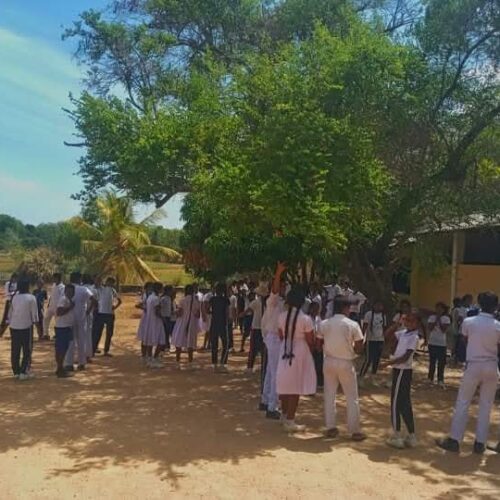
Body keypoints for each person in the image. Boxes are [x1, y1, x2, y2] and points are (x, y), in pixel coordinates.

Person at [436, 292, 500, 455]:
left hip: (473, 364)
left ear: (479, 303)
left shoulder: (469, 322)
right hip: (492, 366)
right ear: (495, 306)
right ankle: (480, 443)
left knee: (463, 402)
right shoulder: (497, 326)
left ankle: (455, 440)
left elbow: (465, 340)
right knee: (486, 405)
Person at [317, 296, 366, 441]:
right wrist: (353, 350)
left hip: (329, 360)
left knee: (329, 395)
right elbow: (359, 347)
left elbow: (318, 345)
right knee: (351, 397)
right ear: (346, 308)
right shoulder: (352, 324)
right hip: (346, 362)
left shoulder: (324, 323)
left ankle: (331, 427)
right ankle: (354, 430)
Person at [277, 286, 316, 433]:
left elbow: (281, 335)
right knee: (295, 387)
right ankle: (290, 420)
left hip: (285, 349)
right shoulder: (305, 319)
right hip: (300, 350)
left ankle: (284, 414)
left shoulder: (281, 316)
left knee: (285, 383)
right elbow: (310, 340)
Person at [382, 311, 420, 449]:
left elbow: (405, 357)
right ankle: (411, 436)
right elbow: (387, 335)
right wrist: (397, 324)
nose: (408, 323)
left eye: (411, 320)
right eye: (406, 320)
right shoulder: (404, 333)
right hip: (399, 370)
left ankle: (397, 435)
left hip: (403, 371)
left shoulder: (414, 337)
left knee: (396, 403)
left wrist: (388, 363)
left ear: (417, 323)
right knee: (404, 403)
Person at [261, 262, 287, 420]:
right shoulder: (272, 301)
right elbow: (275, 290)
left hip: (274, 338)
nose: (283, 288)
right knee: (276, 372)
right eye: (281, 286)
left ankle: (265, 400)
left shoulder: (281, 303)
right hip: (274, 337)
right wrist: (278, 273)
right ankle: (272, 406)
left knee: (271, 371)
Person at [64, 272, 96, 372]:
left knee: (70, 341)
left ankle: (69, 364)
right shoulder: (84, 289)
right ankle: (82, 363)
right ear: (79, 279)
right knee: (81, 340)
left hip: (69, 318)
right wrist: (88, 311)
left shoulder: (66, 289)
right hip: (81, 318)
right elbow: (94, 300)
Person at [8, 279, 38, 380]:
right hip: (26, 326)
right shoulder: (31, 298)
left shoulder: (14, 297)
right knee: (27, 349)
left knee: (15, 349)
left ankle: (16, 371)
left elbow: (10, 313)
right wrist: (38, 328)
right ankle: (23, 371)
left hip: (14, 326)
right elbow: (34, 316)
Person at [172, 284, 201, 369]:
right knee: (190, 343)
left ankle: (177, 362)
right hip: (191, 323)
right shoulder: (196, 301)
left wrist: (175, 312)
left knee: (179, 342)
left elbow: (180, 313)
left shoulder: (182, 300)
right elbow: (198, 314)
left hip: (181, 323)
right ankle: (190, 362)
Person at [359, 299, 387, 383]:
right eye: (377, 305)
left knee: (377, 359)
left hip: (380, 339)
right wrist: (362, 338)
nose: (378, 307)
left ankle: (373, 376)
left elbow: (384, 328)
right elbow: (365, 326)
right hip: (371, 339)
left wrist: (384, 340)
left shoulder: (383, 316)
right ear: (373, 306)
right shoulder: (369, 314)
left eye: (380, 305)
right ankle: (361, 376)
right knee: (368, 359)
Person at [94, 277, 122, 356]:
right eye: (109, 282)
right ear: (106, 282)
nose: (110, 284)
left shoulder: (113, 290)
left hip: (109, 314)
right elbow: (97, 282)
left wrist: (115, 307)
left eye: (112, 283)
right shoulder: (101, 289)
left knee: (109, 333)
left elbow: (119, 301)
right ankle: (94, 348)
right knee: (98, 332)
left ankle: (106, 350)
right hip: (101, 313)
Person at [244, 284, 268, 373]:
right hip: (264, 328)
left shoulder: (256, 302)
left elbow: (248, 310)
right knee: (263, 348)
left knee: (253, 348)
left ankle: (250, 367)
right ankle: (263, 366)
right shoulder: (268, 303)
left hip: (256, 327)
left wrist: (242, 314)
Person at [141, 282, 166, 368]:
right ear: (159, 289)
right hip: (156, 322)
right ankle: (154, 358)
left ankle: (150, 359)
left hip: (150, 321)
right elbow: (157, 311)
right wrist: (163, 318)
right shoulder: (156, 299)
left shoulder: (150, 297)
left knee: (150, 340)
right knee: (161, 340)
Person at [427, 302, 451, 388]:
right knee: (432, 361)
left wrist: (439, 320)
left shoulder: (446, 318)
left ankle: (440, 379)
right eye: (437, 308)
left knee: (441, 362)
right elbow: (430, 328)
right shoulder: (431, 317)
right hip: (432, 342)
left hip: (441, 344)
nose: (438, 310)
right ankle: (430, 378)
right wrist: (435, 319)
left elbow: (444, 330)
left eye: (440, 309)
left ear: (443, 310)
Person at [54, 284, 76, 378]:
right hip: (62, 327)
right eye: (69, 291)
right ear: (65, 291)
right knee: (62, 349)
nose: (70, 293)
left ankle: (60, 368)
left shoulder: (68, 300)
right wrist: (70, 307)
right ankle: (60, 369)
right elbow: (59, 312)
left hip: (66, 327)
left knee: (63, 348)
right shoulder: (63, 299)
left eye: (72, 292)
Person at [208, 283, 230, 372]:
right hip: (223, 323)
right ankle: (222, 364)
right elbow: (227, 312)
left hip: (214, 323)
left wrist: (213, 313)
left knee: (214, 344)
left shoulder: (212, 299)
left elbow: (207, 309)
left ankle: (214, 364)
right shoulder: (226, 300)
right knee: (225, 344)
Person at [43, 273, 65, 341]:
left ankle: (57, 334)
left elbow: (62, 298)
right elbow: (52, 295)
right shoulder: (54, 285)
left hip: (57, 306)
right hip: (51, 305)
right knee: (46, 319)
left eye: (54, 278)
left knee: (57, 321)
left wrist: (60, 307)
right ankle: (46, 334)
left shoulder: (62, 287)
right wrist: (49, 303)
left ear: (58, 278)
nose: (53, 279)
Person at [309, 300, 324, 389]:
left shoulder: (319, 319)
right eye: (314, 309)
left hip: (318, 344)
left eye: (317, 309)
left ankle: (319, 383)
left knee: (319, 364)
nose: (316, 311)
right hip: (309, 345)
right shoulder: (307, 319)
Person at [0, 272, 18, 336]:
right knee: (5, 317)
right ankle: (1, 331)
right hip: (9, 301)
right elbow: (7, 293)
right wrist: (14, 293)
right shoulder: (8, 284)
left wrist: (14, 293)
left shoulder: (17, 284)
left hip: (15, 302)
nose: (15, 279)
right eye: (14, 278)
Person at [160, 285, 174, 352]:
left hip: (169, 317)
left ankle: (167, 345)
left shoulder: (169, 298)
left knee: (167, 332)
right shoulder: (163, 299)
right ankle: (163, 346)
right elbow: (161, 308)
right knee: (165, 332)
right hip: (164, 317)